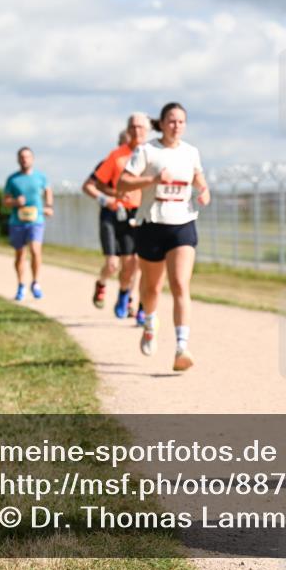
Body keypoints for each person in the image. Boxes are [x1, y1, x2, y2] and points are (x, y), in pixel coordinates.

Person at [119, 103, 210, 372]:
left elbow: (199, 178)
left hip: (183, 223)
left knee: (180, 284)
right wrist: (153, 179)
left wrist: (203, 190)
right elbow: (123, 183)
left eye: (181, 121)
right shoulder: (146, 151)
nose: (176, 126)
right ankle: (150, 324)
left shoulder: (190, 152)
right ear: (162, 123)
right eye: (171, 121)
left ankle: (182, 347)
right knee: (152, 288)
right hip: (152, 223)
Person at [82, 115, 148, 318]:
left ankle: (126, 297)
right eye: (132, 128)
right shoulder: (114, 157)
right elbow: (90, 186)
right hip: (111, 214)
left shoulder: (149, 155)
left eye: (140, 127)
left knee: (132, 263)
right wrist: (110, 197)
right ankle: (102, 283)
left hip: (134, 213)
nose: (135, 133)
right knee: (112, 264)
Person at [3, 147, 53, 301]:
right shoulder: (12, 179)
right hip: (17, 221)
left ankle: (36, 283)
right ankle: (20, 285)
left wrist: (49, 206)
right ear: (18, 160)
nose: (25, 159)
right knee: (20, 255)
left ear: (32, 159)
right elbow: (5, 201)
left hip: (36, 220)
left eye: (27, 157)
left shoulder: (40, 177)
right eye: (22, 157)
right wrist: (15, 201)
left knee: (35, 250)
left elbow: (48, 192)